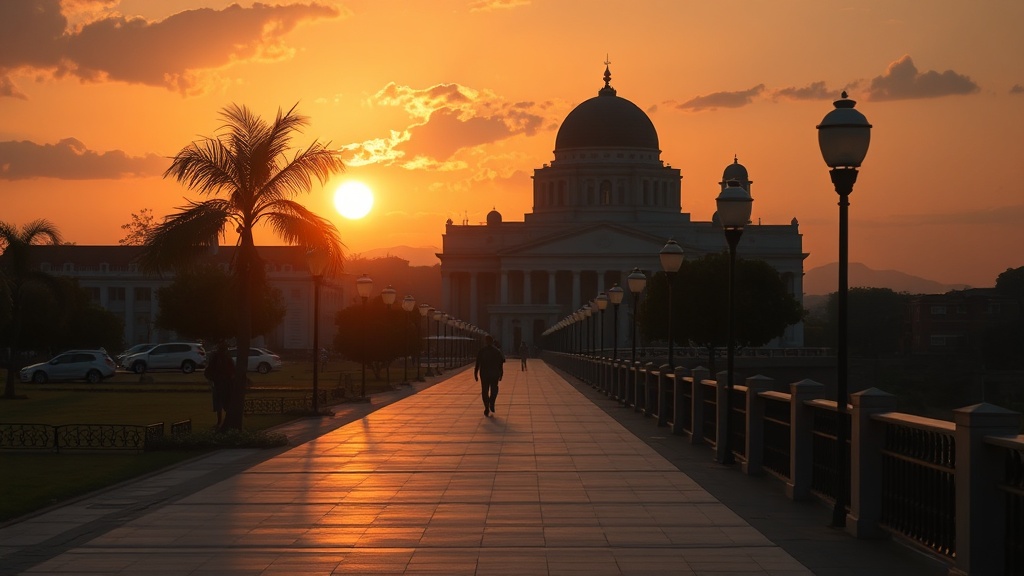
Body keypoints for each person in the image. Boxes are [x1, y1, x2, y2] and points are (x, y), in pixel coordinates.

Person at [204, 341, 234, 429]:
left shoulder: (222, 358)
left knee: (222, 403)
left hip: (222, 383)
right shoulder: (219, 358)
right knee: (222, 403)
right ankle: (221, 421)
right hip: (221, 383)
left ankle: (221, 421)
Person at [474, 335, 504, 417]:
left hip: (484, 374)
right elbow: (500, 363)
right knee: (494, 389)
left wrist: (475, 374)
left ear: (486, 341)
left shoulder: (482, 351)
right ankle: (491, 402)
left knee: (485, 391)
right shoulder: (497, 351)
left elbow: (477, 363)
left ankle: (487, 406)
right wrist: (501, 373)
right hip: (494, 373)